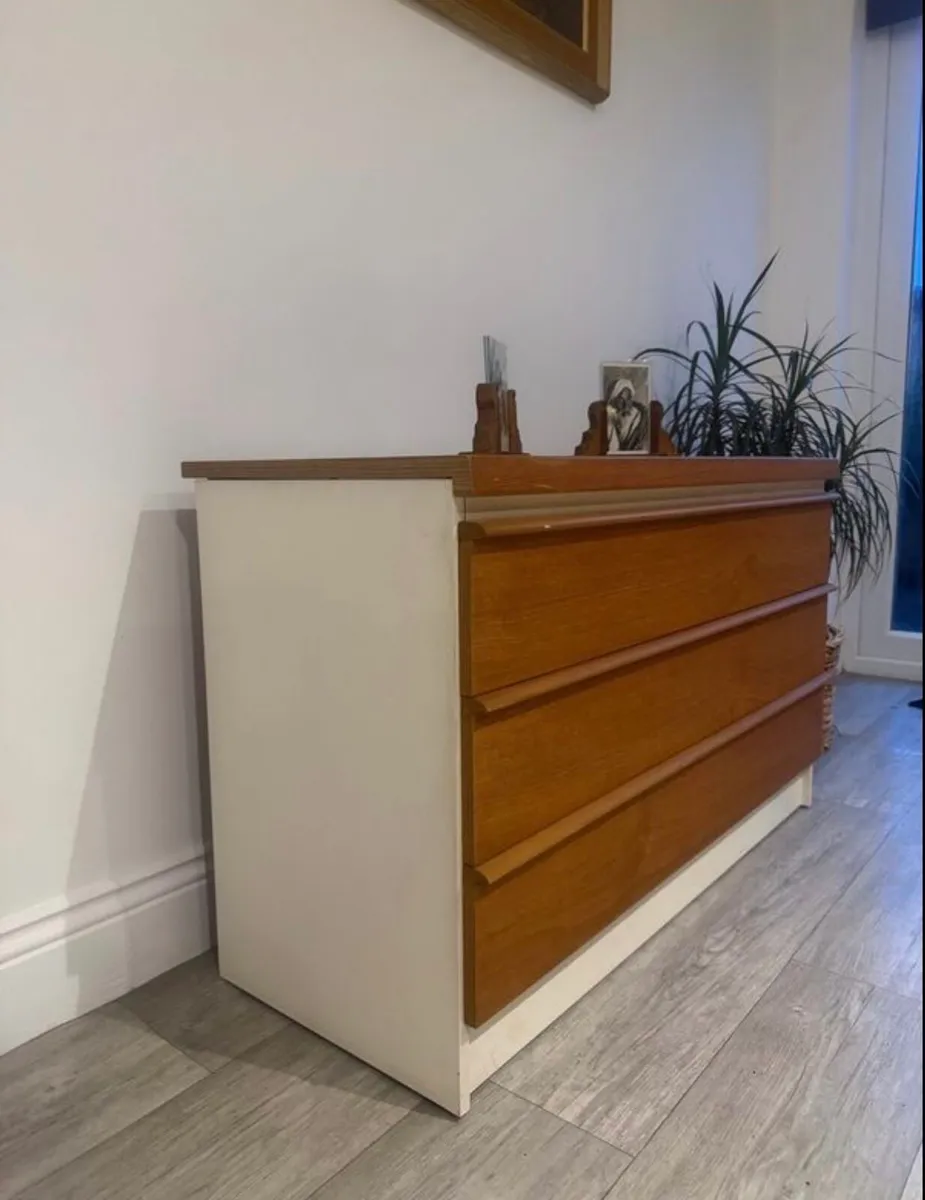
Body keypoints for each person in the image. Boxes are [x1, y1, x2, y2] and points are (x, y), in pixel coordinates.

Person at [605, 378, 649, 452]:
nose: (626, 404)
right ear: (615, 399)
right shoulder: (610, 414)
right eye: (622, 399)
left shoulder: (640, 416)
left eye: (629, 398)